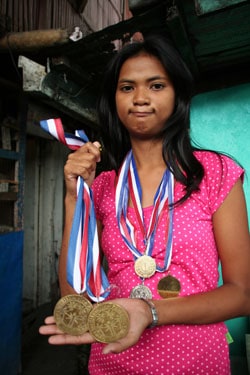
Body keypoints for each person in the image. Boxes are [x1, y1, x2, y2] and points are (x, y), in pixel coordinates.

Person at [39, 34, 250, 374]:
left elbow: (242, 293)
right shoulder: (104, 185)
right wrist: (74, 198)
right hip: (114, 359)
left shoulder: (214, 173)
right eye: (127, 87)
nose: (140, 98)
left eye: (155, 85)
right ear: (114, 100)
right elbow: (74, 296)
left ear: (177, 94)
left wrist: (148, 311)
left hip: (196, 362)